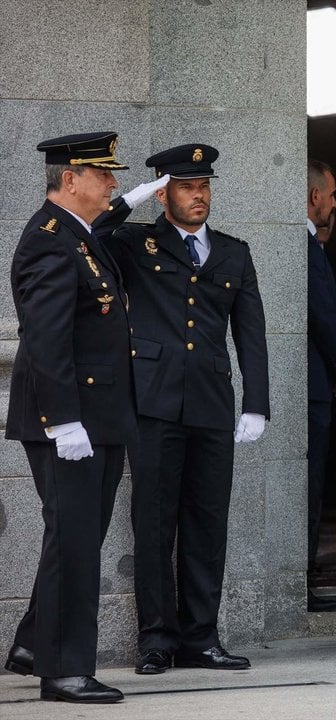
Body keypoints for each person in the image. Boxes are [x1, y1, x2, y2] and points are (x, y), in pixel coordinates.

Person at [3, 132, 163, 703]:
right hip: (69, 420)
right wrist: (63, 421)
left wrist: (131, 203)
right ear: (70, 180)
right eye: (104, 176)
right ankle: (65, 669)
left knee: (75, 538)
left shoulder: (75, 231)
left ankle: (31, 645)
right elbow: (45, 340)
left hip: (97, 417)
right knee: (73, 542)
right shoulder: (49, 241)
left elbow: (102, 226)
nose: (114, 184)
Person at [104, 144, 271, 672]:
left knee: (206, 522)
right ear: (164, 191)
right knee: (154, 524)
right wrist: (131, 199)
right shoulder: (135, 243)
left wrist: (257, 404)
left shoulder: (233, 252)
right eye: (185, 186)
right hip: (152, 403)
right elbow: (87, 237)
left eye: (204, 186)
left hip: (211, 404)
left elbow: (251, 333)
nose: (199, 196)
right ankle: (157, 640)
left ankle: (201, 637)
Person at [306, 159, 336, 611]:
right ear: (315, 195)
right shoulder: (305, 242)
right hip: (314, 382)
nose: (335, 203)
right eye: (332, 194)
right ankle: (302, 581)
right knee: (311, 482)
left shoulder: (307, 241)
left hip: (315, 381)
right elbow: (323, 313)